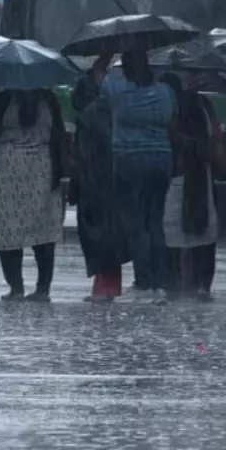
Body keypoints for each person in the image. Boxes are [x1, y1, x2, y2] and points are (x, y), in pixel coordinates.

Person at [92, 50, 175, 303]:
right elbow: (172, 119)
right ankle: (160, 283)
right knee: (155, 222)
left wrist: (108, 49)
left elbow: (96, 75)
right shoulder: (165, 92)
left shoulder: (118, 89)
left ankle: (143, 283)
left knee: (137, 223)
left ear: (126, 69)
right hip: (161, 158)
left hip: (130, 160)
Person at [0, 87, 69, 302]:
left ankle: (16, 288)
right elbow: (59, 133)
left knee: (9, 229)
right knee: (43, 230)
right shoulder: (48, 98)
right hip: (43, 168)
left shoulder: (3, 98)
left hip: (9, 169)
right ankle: (43, 289)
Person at [161, 73, 222, 300]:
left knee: (172, 232)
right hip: (201, 174)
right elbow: (216, 136)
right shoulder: (203, 104)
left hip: (177, 174)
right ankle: (201, 283)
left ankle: (176, 281)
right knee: (203, 230)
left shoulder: (171, 109)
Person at [70, 74, 128, 302]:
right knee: (111, 234)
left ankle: (105, 287)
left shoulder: (89, 116)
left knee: (99, 236)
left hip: (94, 182)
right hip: (112, 180)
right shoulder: (111, 111)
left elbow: (84, 155)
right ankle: (108, 285)